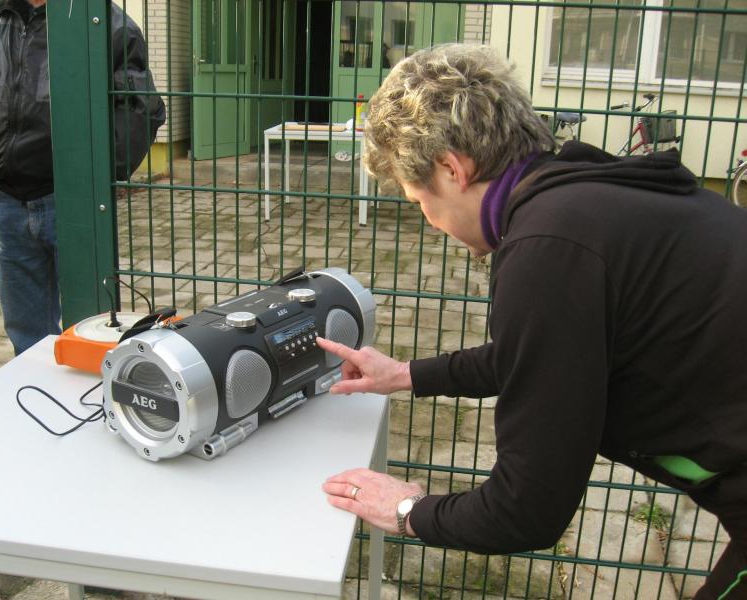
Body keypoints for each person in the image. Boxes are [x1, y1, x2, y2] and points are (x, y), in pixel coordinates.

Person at [316, 44, 747, 600]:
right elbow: (545, 356)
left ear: (452, 168)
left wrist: (406, 509)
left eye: (419, 199)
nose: (431, 221)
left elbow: (526, 509)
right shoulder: (586, 196)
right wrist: (406, 374)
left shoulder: (548, 249)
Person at [0, 0, 165, 355]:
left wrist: (94, 178)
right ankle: (34, 385)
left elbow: (139, 110)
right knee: (25, 333)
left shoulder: (104, 22)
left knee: (91, 327)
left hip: (72, 203)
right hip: (6, 203)